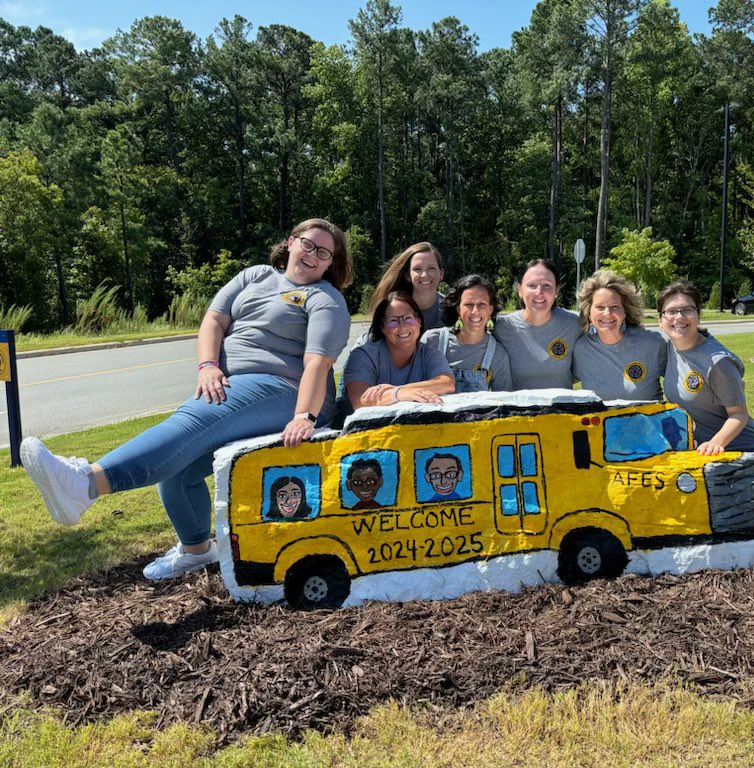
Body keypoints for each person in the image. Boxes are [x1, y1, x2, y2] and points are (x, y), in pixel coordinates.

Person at [19, 218, 353, 579]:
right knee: (178, 470)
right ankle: (196, 550)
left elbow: (318, 364)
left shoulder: (325, 299)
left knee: (190, 421)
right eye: (308, 244)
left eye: (323, 253)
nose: (312, 256)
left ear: (330, 263)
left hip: (287, 391)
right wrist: (208, 365)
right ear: (290, 242)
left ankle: (86, 484)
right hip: (234, 384)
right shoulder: (255, 276)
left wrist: (304, 415)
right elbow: (213, 320)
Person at [658, 281, 754, 455]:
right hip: (700, 453)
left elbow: (739, 415)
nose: (678, 317)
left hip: (738, 452)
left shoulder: (717, 362)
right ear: (660, 320)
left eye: (687, 310)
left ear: (698, 315)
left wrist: (716, 443)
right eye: (671, 311)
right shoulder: (670, 348)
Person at [343, 291, 455, 409]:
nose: (402, 326)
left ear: (419, 321)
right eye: (393, 321)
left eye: (408, 318)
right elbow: (360, 401)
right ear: (382, 327)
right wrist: (399, 394)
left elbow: (447, 383)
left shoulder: (430, 354)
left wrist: (397, 391)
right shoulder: (363, 356)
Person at [571, 270, 666, 401]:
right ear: (589, 313)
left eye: (614, 307)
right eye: (600, 307)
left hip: (648, 421)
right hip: (601, 421)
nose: (607, 313)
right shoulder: (581, 349)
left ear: (624, 312)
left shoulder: (652, 343)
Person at [492, 259, 581, 389]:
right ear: (520, 290)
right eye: (532, 285)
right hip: (516, 408)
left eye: (547, 286)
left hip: (561, 408)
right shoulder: (500, 327)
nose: (539, 292)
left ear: (557, 290)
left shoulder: (575, 323)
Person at [420, 275, 513, 393]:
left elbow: (504, 401)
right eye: (469, 305)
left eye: (482, 304)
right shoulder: (432, 341)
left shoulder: (497, 355)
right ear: (458, 309)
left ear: (490, 309)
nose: (475, 311)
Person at [368, 242, 446, 330]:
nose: (424, 275)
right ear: (408, 276)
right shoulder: (393, 309)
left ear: (441, 274)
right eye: (417, 269)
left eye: (431, 268)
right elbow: (373, 339)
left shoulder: (453, 309)